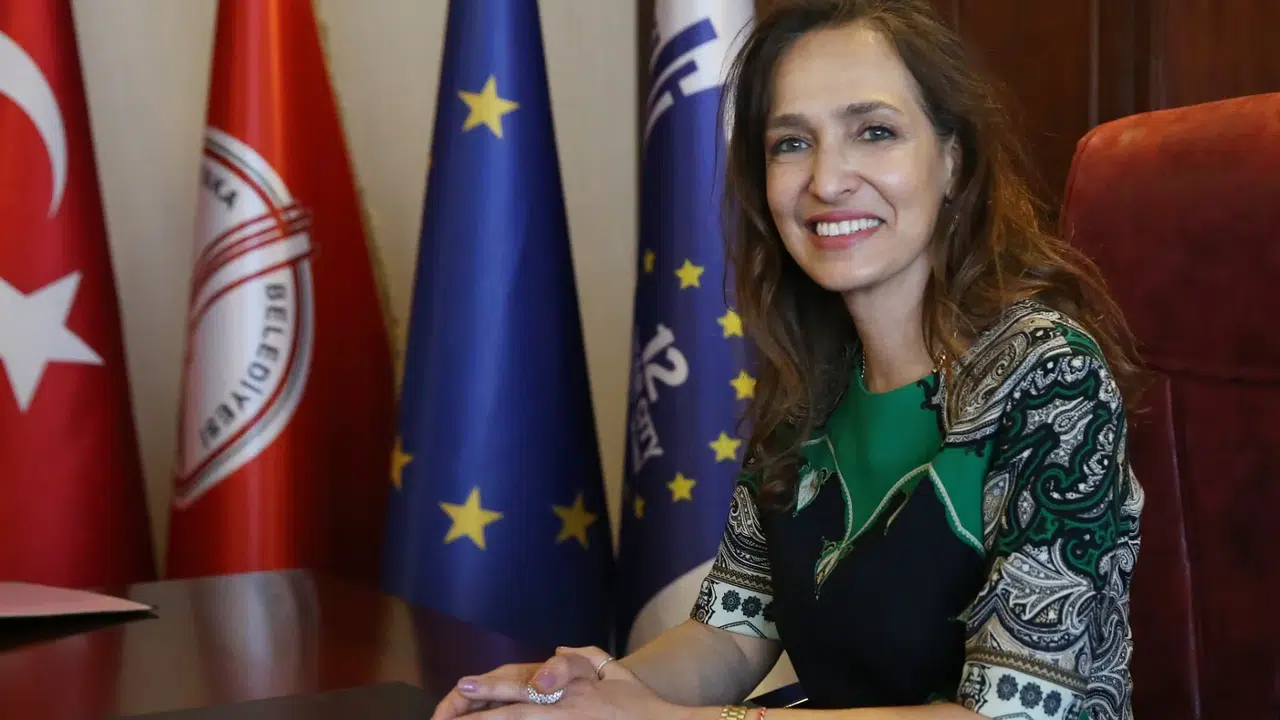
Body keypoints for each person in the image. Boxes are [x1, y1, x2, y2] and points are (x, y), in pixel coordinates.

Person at [430, 0, 1145, 718]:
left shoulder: (1050, 377)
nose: (827, 180)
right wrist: (579, 695)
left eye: (874, 131)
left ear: (952, 162)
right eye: (791, 143)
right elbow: (730, 635)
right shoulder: (811, 379)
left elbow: (1014, 714)